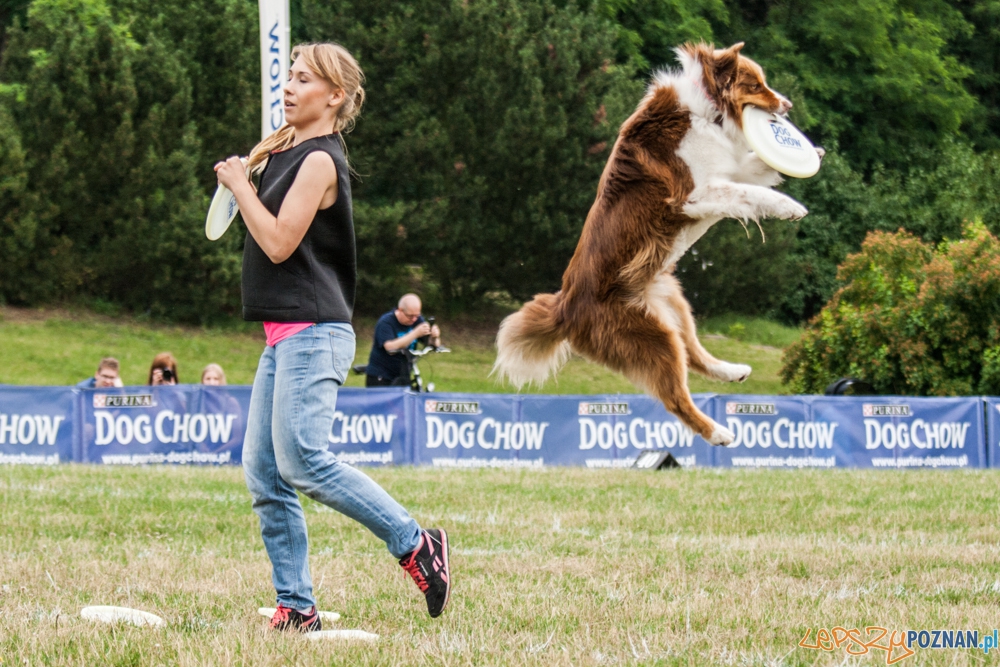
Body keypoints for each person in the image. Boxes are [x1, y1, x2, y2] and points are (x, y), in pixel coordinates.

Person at [214, 42, 450, 632]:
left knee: (304, 463)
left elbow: (276, 242)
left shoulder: (320, 160)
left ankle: (416, 543)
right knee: (266, 477)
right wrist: (247, 178)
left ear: (335, 96)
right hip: (284, 336)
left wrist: (241, 184)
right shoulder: (289, 150)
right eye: (289, 76)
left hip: (315, 334)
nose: (289, 87)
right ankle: (296, 607)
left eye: (303, 79)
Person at [365, 293, 442, 387]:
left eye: (417, 315)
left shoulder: (416, 320)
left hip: (404, 374)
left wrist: (434, 337)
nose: (414, 319)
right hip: (381, 376)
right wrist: (415, 333)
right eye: (410, 316)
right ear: (400, 310)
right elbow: (389, 347)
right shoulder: (386, 322)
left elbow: (433, 344)